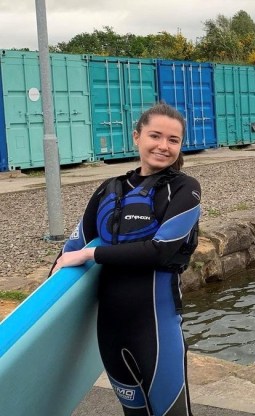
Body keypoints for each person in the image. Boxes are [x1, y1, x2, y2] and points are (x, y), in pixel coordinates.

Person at [52, 102, 202, 416]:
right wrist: (50, 296)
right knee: (133, 413)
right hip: (109, 329)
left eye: (173, 140)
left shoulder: (184, 190)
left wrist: (92, 254)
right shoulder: (109, 189)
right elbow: (73, 246)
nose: (163, 146)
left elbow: (161, 249)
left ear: (180, 146)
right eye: (155, 136)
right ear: (137, 137)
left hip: (156, 328)